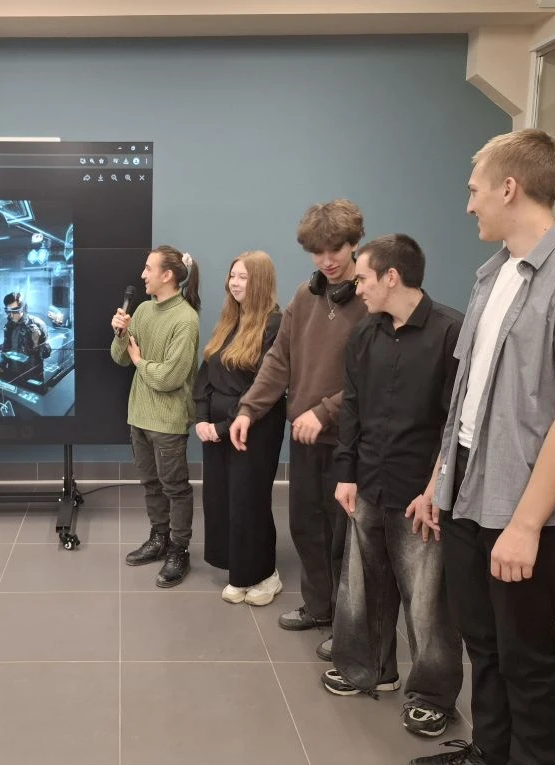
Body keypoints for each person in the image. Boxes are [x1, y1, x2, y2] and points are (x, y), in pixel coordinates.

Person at [410, 129, 555, 765]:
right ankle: (488, 752)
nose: (468, 204)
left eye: (474, 190)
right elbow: (467, 398)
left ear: (509, 188)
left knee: (527, 656)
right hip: (469, 491)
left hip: (530, 508)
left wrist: (525, 526)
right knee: (482, 643)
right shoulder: (492, 275)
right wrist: (438, 481)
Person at [323, 234, 463, 739]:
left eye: (362, 277)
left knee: (426, 602)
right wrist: (346, 472)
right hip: (367, 482)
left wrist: (435, 489)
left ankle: (432, 695)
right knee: (361, 587)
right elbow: (353, 406)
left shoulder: (450, 332)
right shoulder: (366, 333)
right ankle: (369, 669)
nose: (356, 287)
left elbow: (454, 423)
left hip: (419, 494)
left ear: (391, 276)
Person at [230, 199, 368, 661]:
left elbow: (373, 377)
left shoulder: (370, 300)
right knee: (306, 528)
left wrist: (325, 412)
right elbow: (278, 361)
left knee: (345, 539)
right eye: (317, 252)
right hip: (305, 440)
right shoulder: (305, 298)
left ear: (354, 244)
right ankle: (318, 607)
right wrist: (248, 410)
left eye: (336, 250)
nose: (327, 260)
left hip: (349, 440)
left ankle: (349, 627)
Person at [194, 250, 285, 605]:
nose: (234, 283)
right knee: (221, 498)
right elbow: (206, 374)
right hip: (216, 428)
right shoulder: (229, 320)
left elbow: (264, 386)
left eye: (243, 277)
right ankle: (239, 570)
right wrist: (203, 419)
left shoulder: (274, 325)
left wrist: (223, 425)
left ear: (260, 281)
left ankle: (264, 575)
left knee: (249, 499)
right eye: (232, 275)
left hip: (254, 428)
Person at [111, 245, 201, 587]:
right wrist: (121, 333)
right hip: (139, 415)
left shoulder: (186, 319)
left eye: (149, 269)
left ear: (168, 275)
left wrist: (138, 360)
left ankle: (179, 550)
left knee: (175, 488)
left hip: (167, 420)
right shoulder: (144, 310)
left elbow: (169, 378)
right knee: (151, 484)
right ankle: (159, 537)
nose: (142, 275)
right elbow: (119, 358)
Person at [0, 291, 51, 383]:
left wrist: (36, 342)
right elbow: (6, 349)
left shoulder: (38, 324)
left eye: (15, 311)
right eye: (8, 311)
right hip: (12, 373)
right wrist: (0, 366)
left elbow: (46, 354)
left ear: (23, 308)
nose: (11, 315)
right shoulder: (9, 325)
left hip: (32, 377)